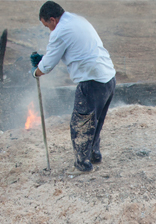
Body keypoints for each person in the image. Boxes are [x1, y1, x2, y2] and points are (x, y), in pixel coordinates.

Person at [31, 1, 116, 173]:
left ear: (53, 20)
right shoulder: (77, 20)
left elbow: (47, 66)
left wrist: (35, 71)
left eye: (47, 25)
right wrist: (44, 59)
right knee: (96, 120)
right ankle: (94, 154)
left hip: (91, 81)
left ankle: (82, 164)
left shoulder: (60, 31)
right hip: (108, 77)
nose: (49, 29)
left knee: (81, 124)